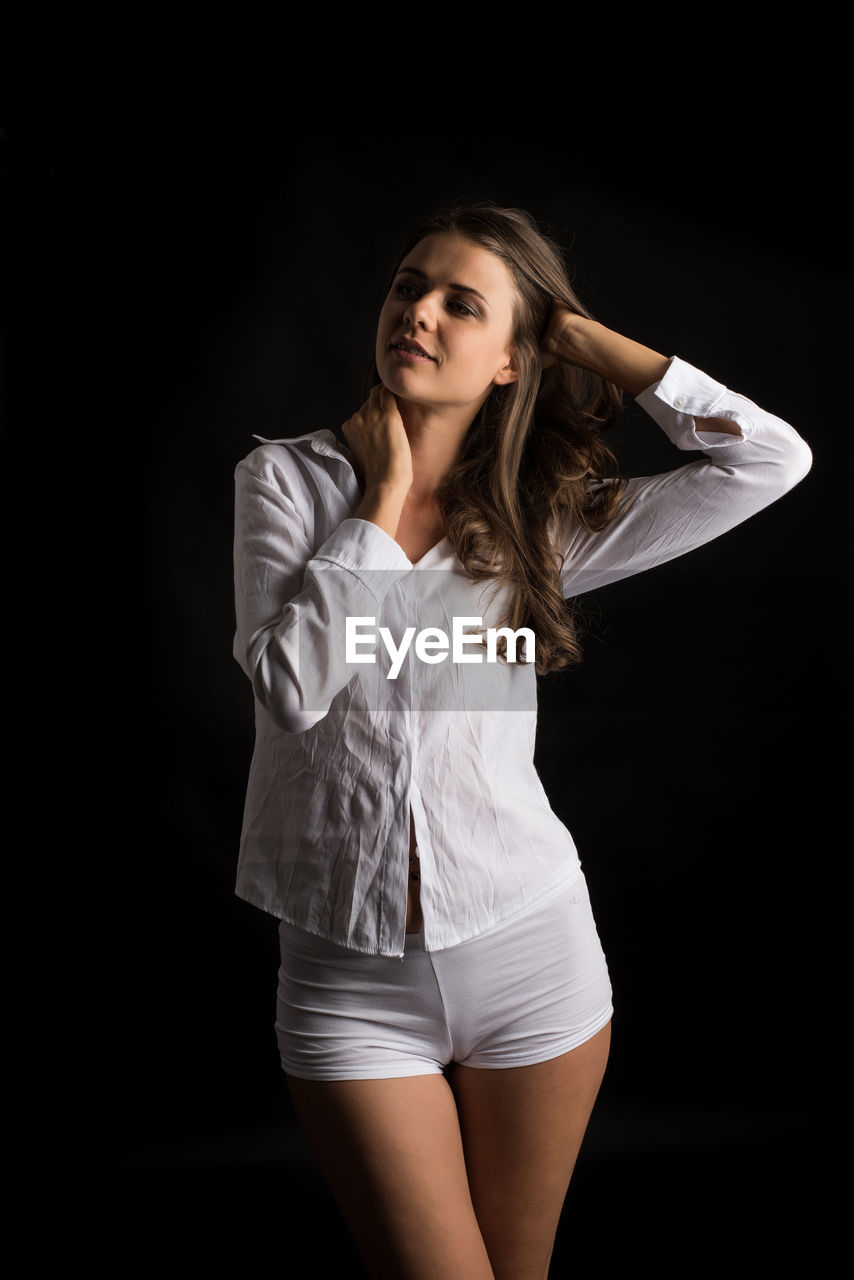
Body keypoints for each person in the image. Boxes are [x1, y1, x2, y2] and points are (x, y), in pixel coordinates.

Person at [231, 202, 812, 1279]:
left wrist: (580, 337)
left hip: (527, 946)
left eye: (463, 303)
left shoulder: (537, 518)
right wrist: (384, 497)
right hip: (347, 979)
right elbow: (290, 687)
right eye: (408, 286)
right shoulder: (289, 482)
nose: (419, 312)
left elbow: (767, 459)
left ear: (512, 356)